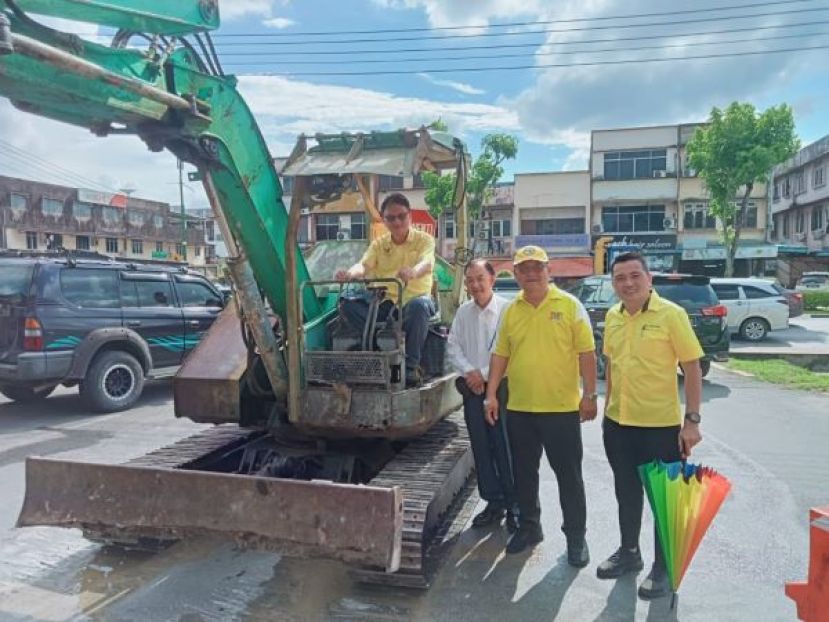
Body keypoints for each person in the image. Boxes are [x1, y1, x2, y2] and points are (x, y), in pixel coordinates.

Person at [596, 251, 703, 600]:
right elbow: (611, 365)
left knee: (663, 501)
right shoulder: (612, 316)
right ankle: (630, 553)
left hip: (660, 427)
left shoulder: (672, 315)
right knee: (626, 495)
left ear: (648, 278)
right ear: (613, 284)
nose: (627, 283)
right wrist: (607, 408)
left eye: (634, 276)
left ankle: (662, 567)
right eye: (620, 278)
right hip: (618, 425)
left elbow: (692, 368)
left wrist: (691, 422)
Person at [485, 245, 598, 564]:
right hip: (520, 409)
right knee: (524, 474)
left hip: (561, 410)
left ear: (549, 270)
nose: (531, 273)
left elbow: (587, 354)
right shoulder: (511, 310)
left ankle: (576, 538)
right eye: (525, 268)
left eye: (538, 267)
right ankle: (529, 527)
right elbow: (500, 355)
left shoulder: (570, 305)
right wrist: (491, 394)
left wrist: (589, 395)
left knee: (569, 477)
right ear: (516, 274)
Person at [335, 193, 436, 386]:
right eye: (391, 218)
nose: (397, 222)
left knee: (419, 307)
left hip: (412, 301)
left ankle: (410, 368)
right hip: (384, 303)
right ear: (384, 220)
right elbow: (363, 266)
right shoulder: (379, 244)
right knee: (347, 305)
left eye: (401, 216)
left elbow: (428, 263)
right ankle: (376, 357)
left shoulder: (424, 240)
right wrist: (348, 274)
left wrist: (413, 272)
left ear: (410, 216)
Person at [447, 259, 517, 532]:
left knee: (505, 446)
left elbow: (513, 351)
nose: (475, 285)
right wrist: (470, 373)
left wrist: (485, 375)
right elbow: (453, 347)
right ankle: (493, 502)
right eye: (470, 280)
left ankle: (515, 505)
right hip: (473, 389)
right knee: (481, 447)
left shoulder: (508, 311)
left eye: (480, 279)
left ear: (492, 279)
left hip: (501, 388)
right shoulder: (464, 313)